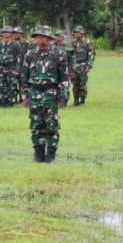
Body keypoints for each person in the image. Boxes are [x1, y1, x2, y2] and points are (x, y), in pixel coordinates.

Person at [21, 29, 69, 164]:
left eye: (43, 37)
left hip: (51, 93)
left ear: (49, 38)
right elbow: (25, 76)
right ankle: (38, 153)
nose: (40, 40)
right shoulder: (30, 54)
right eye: (37, 37)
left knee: (51, 124)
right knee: (36, 124)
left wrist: (63, 96)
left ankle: (51, 155)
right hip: (34, 93)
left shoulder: (58, 54)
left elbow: (64, 76)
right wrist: (25, 95)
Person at [70, 26, 95, 105]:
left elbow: (91, 54)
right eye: (75, 33)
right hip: (74, 66)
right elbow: (69, 55)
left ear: (82, 33)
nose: (76, 34)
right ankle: (76, 100)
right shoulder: (72, 43)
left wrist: (89, 65)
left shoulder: (87, 42)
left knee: (82, 84)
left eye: (78, 33)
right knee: (75, 84)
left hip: (83, 65)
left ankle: (82, 100)